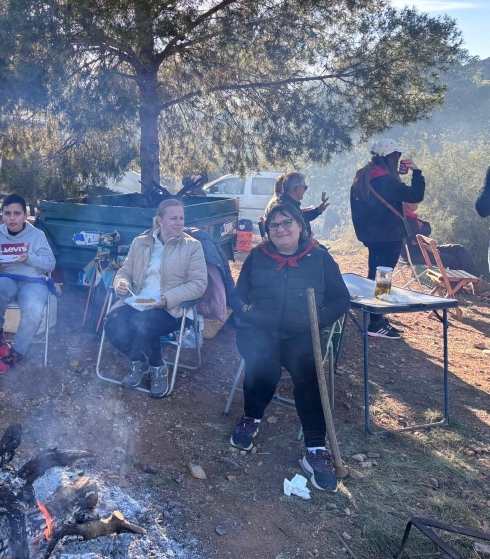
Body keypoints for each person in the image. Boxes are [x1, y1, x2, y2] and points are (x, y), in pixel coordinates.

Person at [230, 202, 350, 491]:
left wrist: (316, 320)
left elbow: (341, 300)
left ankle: (316, 450)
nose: (281, 229)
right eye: (274, 225)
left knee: (309, 373)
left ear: (300, 225)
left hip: (301, 334)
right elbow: (236, 296)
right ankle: (251, 417)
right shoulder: (258, 256)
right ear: (267, 230)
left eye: (287, 223)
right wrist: (249, 314)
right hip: (259, 330)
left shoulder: (319, 258)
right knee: (264, 364)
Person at [105, 199, 208, 398]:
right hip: (139, 300)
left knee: (142, 323)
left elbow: (198, 284)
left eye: (181, 218)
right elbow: (124, 271)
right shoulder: (141, 242)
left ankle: (158, 368)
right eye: (173, 218)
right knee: (111, 323)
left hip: (173, 307)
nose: (179, 223)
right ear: (160, 220)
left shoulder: (193, 247)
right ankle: (139, 360)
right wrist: (121, 284)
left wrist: (168, 298)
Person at [350, 139, 424, 339]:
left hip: (372, 237)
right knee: (383, 278)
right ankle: (375, 324)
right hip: (389, 236)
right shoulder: (386, 181)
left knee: (375, 274)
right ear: (391, 156)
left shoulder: (364, 176)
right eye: (397, 155)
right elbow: (416, 195)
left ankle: (377, 316)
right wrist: (417, 172)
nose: (399, 157)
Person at [0, 194, 56, 373]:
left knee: (34, 310)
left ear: (25, 216)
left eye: (17, 213)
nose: (12, 218)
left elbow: (50, 263)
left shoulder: (37, 235)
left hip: (33, 281)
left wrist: (28, 258)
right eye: (8, 213)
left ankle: (16, 354)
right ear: (2, 215)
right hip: (7, 277)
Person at [401, 202, 490, 295]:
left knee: (458, 249)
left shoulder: (411, 216)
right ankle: (456, 294)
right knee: (454, 261)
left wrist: (423, 229)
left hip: (425, 249)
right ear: (407, 203)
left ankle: (477, 282)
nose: (418, 203)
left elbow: (427, 225)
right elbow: (419, 235)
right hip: (415, 254)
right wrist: (423, 230)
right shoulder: (405, 218)